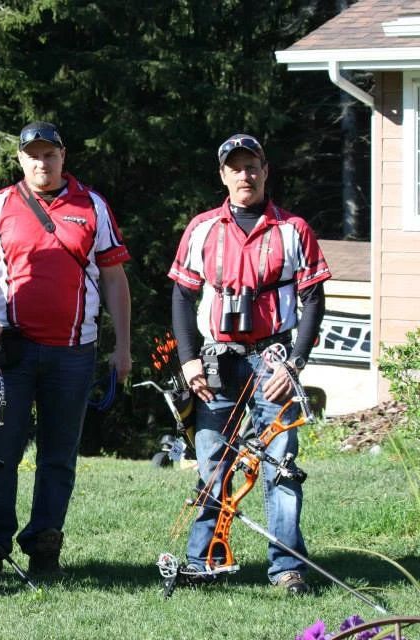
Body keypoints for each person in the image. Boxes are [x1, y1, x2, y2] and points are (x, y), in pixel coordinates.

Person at [0, 121, 132, 577]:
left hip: (74, 354)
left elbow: (115, 280)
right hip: (9, 354)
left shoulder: (92, 206)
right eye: (32, 154)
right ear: (20, 159)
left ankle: (44, 549)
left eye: (49, 153)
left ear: (63, 156)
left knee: (58, 457)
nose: (41, 162)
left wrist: (123, 348)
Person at [168, 133, 330, 594]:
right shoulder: (201, 228)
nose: (246, 174)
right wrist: (188, 361)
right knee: (211, 463)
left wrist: (294, 364)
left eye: (252, 165)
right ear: (223, 175)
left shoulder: (293, 228)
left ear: (265, 170)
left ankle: (287, 568)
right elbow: (182, 294)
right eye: (235, 167)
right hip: (215, 363)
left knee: (281, 463)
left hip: (274, 362)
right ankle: (204, 562)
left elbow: (313, 297)